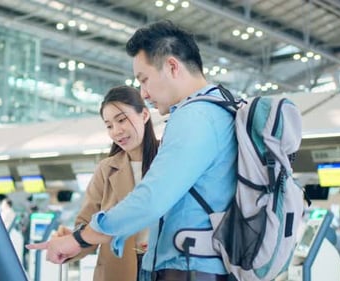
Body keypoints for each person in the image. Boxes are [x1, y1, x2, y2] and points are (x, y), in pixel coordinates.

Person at [27, 20, 237, 281]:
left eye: (144, 79)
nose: (144, 92)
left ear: (172, 66)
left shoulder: (195, 117)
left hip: (190, 269)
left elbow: (151, 200)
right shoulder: (220, 107)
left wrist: (80, 238)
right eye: (109, 125)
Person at [56, 85, 160, 281]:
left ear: (144, 115)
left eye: (121, 120)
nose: (116, 131)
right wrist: (71, 239)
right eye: (109, 125)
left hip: (164, 267)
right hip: (117, 269)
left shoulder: (169, 158)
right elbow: (86, 224)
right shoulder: (106, 169)